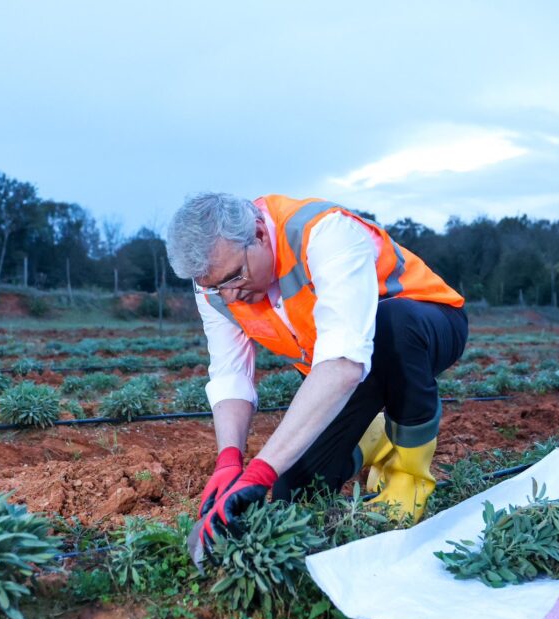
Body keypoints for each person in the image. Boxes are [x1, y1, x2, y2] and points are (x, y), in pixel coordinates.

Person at [166, 193, 468, 547]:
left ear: (261, 234)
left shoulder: (325, 232)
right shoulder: (215, 281)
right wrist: (229, 459)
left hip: (424, 325)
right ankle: (371, 437)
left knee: (391, 325)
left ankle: (409, 475)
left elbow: (343, 365)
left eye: (235, 277)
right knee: (292, 494)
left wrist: (260, 470)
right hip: (338, 365)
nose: (228, 296)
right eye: (215, 287)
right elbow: (230, 374)